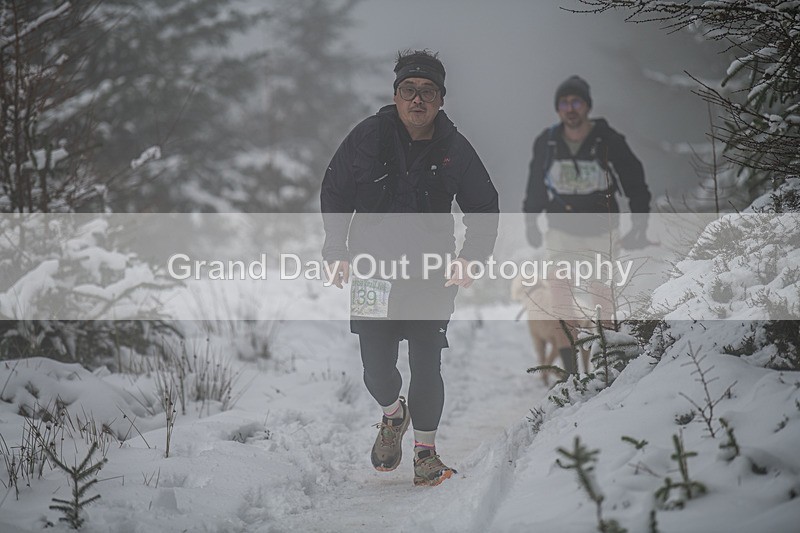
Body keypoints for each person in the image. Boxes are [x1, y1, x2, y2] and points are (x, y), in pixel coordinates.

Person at [320, 50, 499, 486]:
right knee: (376, 368)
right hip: (371, 272)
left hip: (430, 274)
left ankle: (426, 454)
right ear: (396, 96)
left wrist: (471, 258)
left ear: (440, 99)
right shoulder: (367, 136)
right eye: (409, 90)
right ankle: (392, 415)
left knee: (426, 364)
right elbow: (336, 190)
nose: (417, 99)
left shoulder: (455, 148)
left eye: (427, 92)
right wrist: (336, 249)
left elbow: (484, 205)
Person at [522, 75, 651, 374]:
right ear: (557, 109)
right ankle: (570, 372)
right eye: (564, 103)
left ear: (587, 106)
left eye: (577, 102)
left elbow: (634, 179)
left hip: (601, 230)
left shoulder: (608, 139)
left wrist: (640, 222)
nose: (571, 109)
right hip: (560, 230)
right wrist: (530, 220)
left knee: (602, 296)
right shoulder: (548, 142)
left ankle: (605, 361)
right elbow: (535, 184)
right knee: (560, 297)